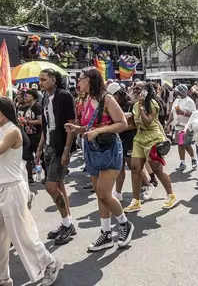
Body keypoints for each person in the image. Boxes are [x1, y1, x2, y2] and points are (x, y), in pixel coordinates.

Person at [0, 97, 62, 286]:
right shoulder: (1, 129)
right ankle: (0, 277)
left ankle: (50, 263)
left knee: (22, 236)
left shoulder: (13, 131)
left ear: (4, 112)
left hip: (12, 189)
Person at [65, 67, 134, 251]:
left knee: (104, 193)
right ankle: (105, 234)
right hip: (92, 150)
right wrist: (77, 129)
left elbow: (122, 123)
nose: (77, 83)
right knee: (100, 195)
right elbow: (89, 126)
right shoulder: (85, 100)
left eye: (80, 79)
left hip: (109, 149)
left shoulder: (107, 99)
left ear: (90, 79)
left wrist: (99, 131)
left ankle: (125, 224)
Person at [36, 68, 77, 245]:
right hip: (48, 148)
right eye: (40, 80)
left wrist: (67, 150)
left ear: (53, 79)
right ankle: (67, 222)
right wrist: (39, 148)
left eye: (43, 79)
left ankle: (67, 224)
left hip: (60, 147)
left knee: (51, 187)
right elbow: (46, 127)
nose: (40, 82)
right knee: (59, 185)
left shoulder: (64, 96)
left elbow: (72, 125)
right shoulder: (44, 97)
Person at [125, 81, 177, 212]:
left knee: (157, 170)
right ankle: (135, 201)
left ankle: (171, 195)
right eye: (134, 88)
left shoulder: (152, 103)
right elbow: (137, 124)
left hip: (153, 139)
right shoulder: (135, 105)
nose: (135, 90)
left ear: (146, 91)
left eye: (139, 89)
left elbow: (147, 122)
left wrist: (142, 106)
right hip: (139, 138)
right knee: (135, 168)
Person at [111, 83, 154, 201]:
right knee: (119, 167)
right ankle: (118, 192)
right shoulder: (112, 106)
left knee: (134, 167)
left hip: (130, 138)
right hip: (118, 139)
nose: (112, 98)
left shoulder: (130, 105)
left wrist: (119, 129)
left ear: (119, 94)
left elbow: (135, 124)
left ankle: (148, 185)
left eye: (114, 95)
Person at [164, 84, 196, 171]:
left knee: (186, 144)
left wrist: (183, 113)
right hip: (178, 126)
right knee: (181, 144)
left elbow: (194, 115)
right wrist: (167, 123)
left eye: (178, 90)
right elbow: (172, 113)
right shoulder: (176, 101)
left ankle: (193, 159)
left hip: (186, 127)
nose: (176, 92)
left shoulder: (190, 101)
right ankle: (182, 163)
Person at [18, 89, 43, 185]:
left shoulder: (36, 106)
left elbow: (41, 121)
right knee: (27, 157)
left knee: (40, 157)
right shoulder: (27, 106)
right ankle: (29, 178)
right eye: (24, 95)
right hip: (27, 135)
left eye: (27, 95)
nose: (25, 97)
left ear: (33, 96)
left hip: (36, 135)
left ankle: (48, 176)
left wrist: (27, 122)